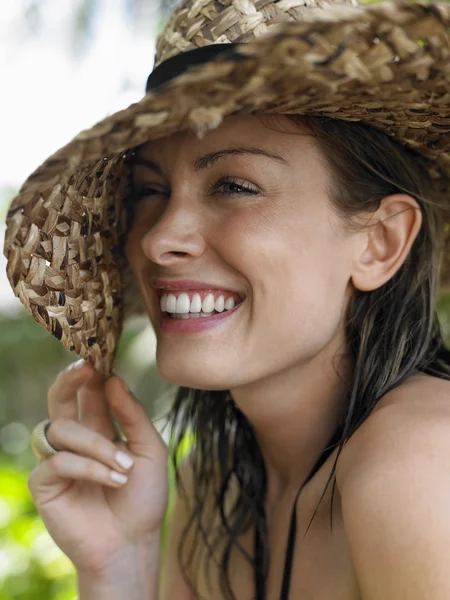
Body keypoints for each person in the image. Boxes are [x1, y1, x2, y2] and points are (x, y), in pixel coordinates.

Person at [4, 0, 450, 598]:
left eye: (234, 186)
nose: (161, 238)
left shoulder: (424, 461)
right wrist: (119, 566)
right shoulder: (217, 486)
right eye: (150, 191)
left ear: (379, 243)